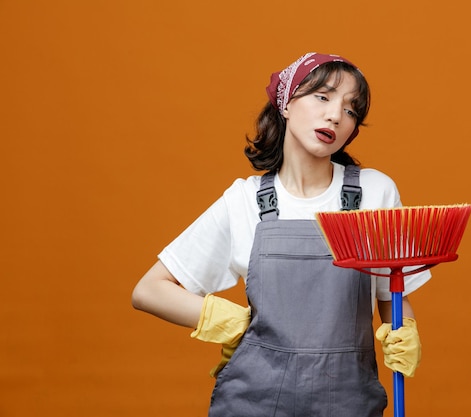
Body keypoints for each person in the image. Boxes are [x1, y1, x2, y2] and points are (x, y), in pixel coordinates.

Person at [132, 52, 431, 417]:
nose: (336, 115)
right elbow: (148, 290)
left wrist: (404, 328)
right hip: (253, 402)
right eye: (322, 96)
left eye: (351, 110)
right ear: (286, 104)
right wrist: (229, 322)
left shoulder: (375, 193)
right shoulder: (243, 200)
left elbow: (391, 293)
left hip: (348, 402)